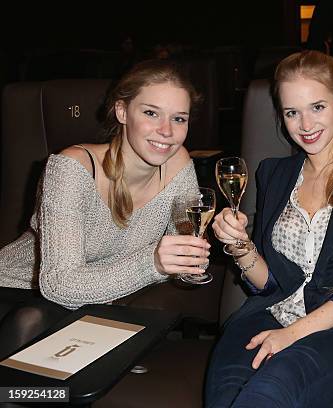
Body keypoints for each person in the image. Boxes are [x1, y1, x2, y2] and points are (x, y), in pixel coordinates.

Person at [204, 50, 333, 407]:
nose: (305, 125)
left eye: (317, 107)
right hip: (268, 314)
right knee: (225, 396)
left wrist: (292, 335)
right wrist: (240, 246)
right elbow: (270, 283)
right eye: (291, 112)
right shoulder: (274, 173)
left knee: (267, 394)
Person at [0, 59, 208, 352]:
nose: (166, 131)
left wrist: (216, 246)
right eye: (151, 113)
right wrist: (153, 263)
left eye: (179, 118)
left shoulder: (179, 163)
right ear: (122, 111)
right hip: (19, 288)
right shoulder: (72, 167)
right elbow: (59, 285)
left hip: (93, 302)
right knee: (31, 323)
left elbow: (185, 254)